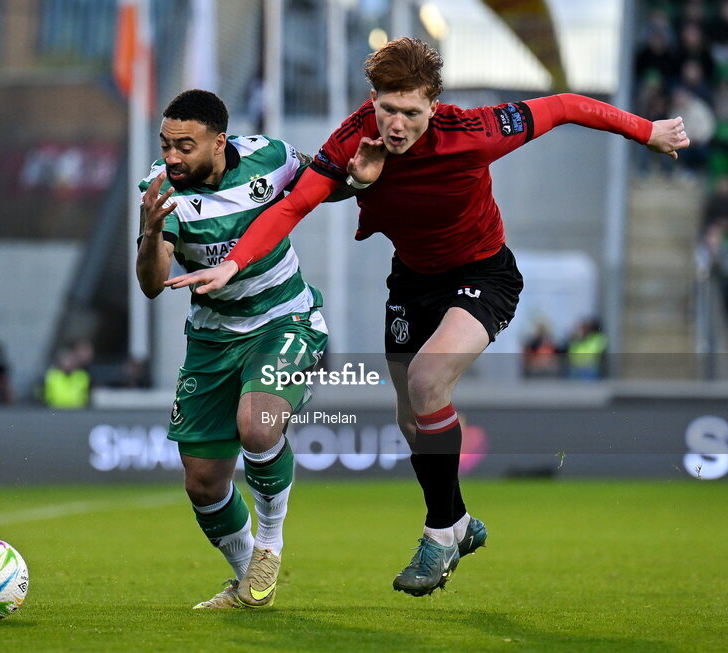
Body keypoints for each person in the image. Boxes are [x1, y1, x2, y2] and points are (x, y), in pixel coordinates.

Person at [167, 38, 690, 597]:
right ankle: (458, 521)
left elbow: (563, 105)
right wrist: (236, 263)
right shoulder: (352, 139)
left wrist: (646, 131)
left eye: (411, 113)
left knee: (427, 379)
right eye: (388, 109)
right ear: (373, 99)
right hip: (411, 281)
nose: (396, 124)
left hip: (483, 274)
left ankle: (439, 534)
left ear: (433, 106)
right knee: (411, 416)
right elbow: (295, 204)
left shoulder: (476, 131)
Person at [136, 89, 352, 609]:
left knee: (257, 424)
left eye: (185, 146)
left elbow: (324, 183)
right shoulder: (161, 190)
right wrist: (150, 231)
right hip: (212, 338)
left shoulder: (270, 158)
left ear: (219, 142)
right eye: (166, 144)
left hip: (286, 318)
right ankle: (247, 583)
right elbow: (151, 283)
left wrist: (362, 178)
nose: (172, 156)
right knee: (204, 484)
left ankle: (270, 545)